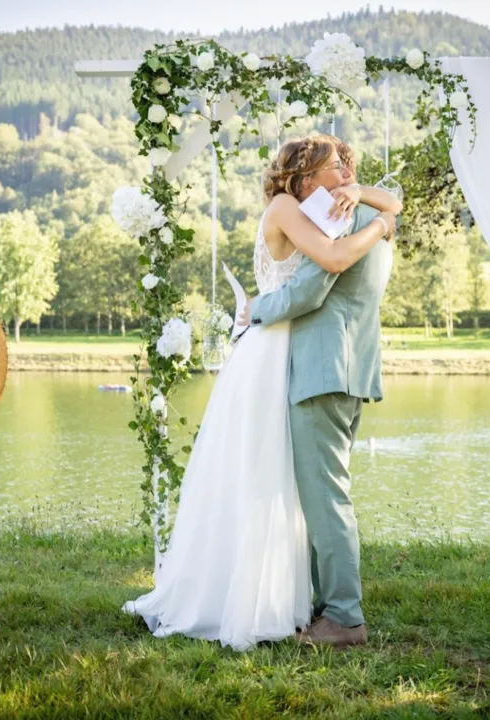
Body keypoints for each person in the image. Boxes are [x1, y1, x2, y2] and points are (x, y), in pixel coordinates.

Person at [123, 135, 400, 650]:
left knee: (321, 496)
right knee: (292, 487)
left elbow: (313, 285)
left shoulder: (347, 216)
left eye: (347, 167)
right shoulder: (323, 213)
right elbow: (339, 255)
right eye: (335, 167)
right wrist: (383, 215)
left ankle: (343, 616)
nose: (346, 175)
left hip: (318, 365)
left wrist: (257, 310)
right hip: (325, 365)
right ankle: (314, 605)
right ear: (304, 179)